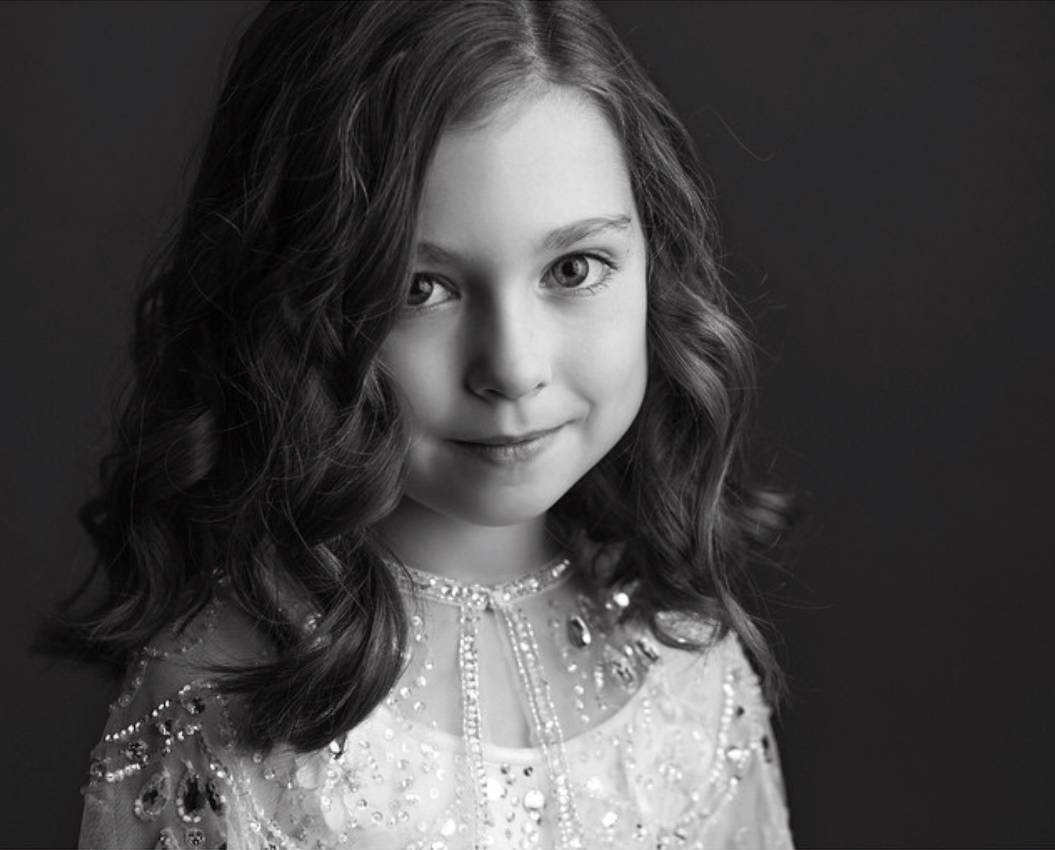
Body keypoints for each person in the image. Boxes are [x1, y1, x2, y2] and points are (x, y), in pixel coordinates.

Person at [50, 1, 795, 847]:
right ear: (295, 304)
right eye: (418, 289)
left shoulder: (685, 657)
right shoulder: (222, 697)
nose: (513, 366)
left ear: (656, 265)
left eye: (573, 268)